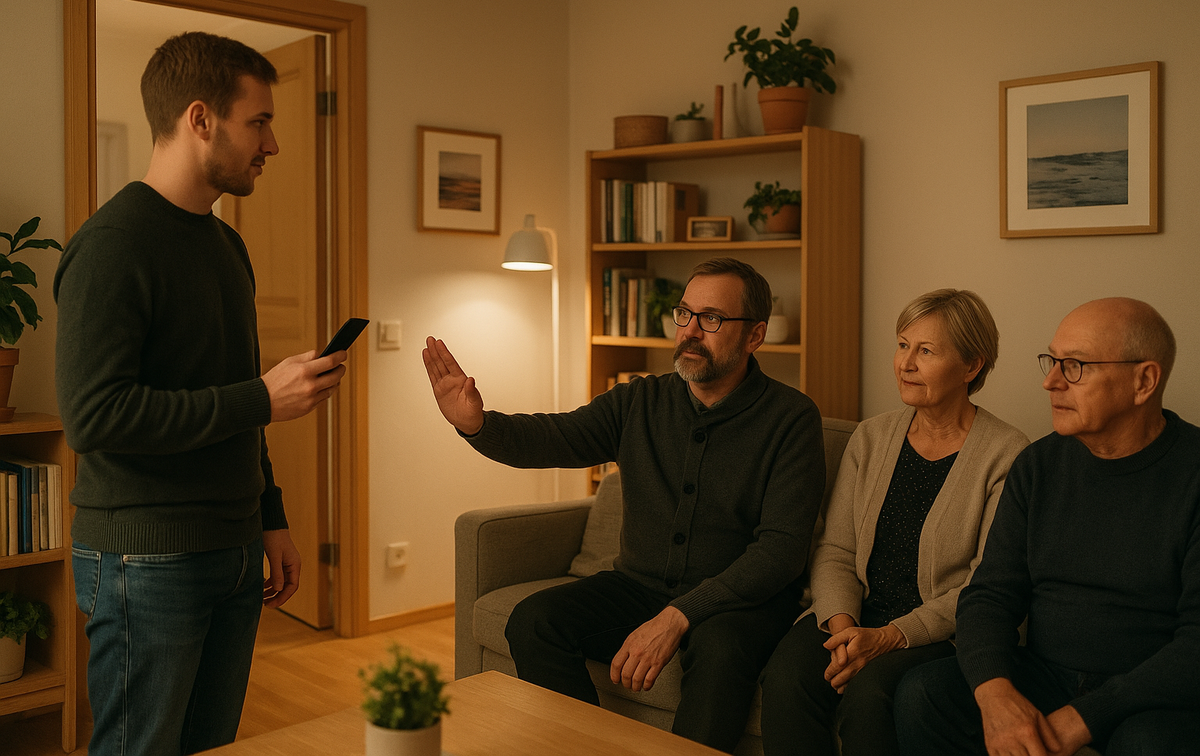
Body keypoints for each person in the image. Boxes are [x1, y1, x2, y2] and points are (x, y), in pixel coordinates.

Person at [54, 32, 347, 756]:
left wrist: (269, 515)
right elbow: (95, 417)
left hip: (232, 545)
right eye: (260, 122)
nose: (273, 143)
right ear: (200, 119)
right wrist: (260, 398)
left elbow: (238, 400)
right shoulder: (113, 245)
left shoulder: (226, 246)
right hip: (144, 562)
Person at [424, 257, 825, 753]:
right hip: (638, 587)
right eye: (685, 314)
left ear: (755, 335)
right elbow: (554, 437)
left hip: (738, 602)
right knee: (534, 622)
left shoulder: (791, 419)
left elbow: (780, 551)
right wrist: (477, 424)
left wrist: (679, 615)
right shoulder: (640, 401)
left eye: (712, 319)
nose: (691, 331)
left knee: (721, 652)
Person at [895, 297, 1200, 756]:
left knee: (1150, 743)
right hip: (1044, 674)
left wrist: (1085, 717)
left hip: (1147, 694)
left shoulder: (1192, 474)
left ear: (1144, 381)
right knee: (924, 693)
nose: (1050, 381)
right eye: (1053, 361)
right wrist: (995, 694)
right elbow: (990, 595)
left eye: (1075, 366)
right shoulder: (1039, 465)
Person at [758, 289, 1028, 756]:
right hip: (856, 613)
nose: (906, 363)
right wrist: (844, 630)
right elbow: (837, 550)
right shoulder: (871, 436)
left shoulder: (1007, 454)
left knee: (871, 697)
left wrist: (887, 638)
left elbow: (985, 584)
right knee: (786, 677)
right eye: (903, 345)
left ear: (971, 366)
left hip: (938, 632)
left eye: (926, 351)